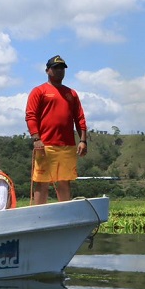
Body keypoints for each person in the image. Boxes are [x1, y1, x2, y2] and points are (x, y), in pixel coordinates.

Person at [25, 55, 89, 205]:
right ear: (48, 70)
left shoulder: (71, 93)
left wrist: (83, 140)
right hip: (45, 144)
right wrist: (36, 138)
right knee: (42, 181)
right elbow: (30, 116)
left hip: (67, 145)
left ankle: (65, 213)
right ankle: (39, 214)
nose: (59, 71)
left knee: (64, 181)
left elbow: (80, 118)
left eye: (62, 68)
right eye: (56, 68)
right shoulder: (39, 91)